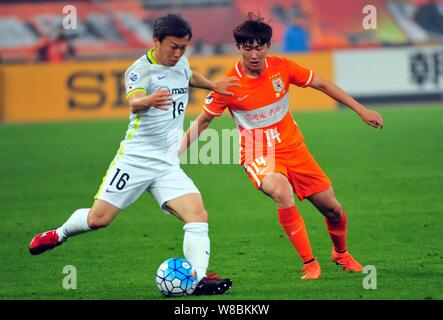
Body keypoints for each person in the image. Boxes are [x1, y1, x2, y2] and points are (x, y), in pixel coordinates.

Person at [29, 13, 238, 295]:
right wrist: (148, 100)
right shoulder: (140, 71)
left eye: (183, 47)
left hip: (166, 163)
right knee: (98, 220)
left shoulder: (182, 63)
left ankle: (197, 280)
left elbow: (188, 75)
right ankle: (59, 233)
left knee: (197, 215)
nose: (178, 53)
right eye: (173, 46)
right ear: (156, 41)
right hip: (136, 160)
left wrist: (213, 86)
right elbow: (134, 101)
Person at [180, 13, 384, 280]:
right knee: (280, 189)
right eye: (248, 47)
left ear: (268, 46)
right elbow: (203, 121)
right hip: (257, 153)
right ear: (238, 47)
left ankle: (341, 253)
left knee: (333, 209)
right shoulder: (226, 85)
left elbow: (321, 83)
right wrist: (175, 153)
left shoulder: (282, 67)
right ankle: (310, 264)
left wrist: (360, 109)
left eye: (259, 47)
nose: (254, 54)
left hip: (294, 148)